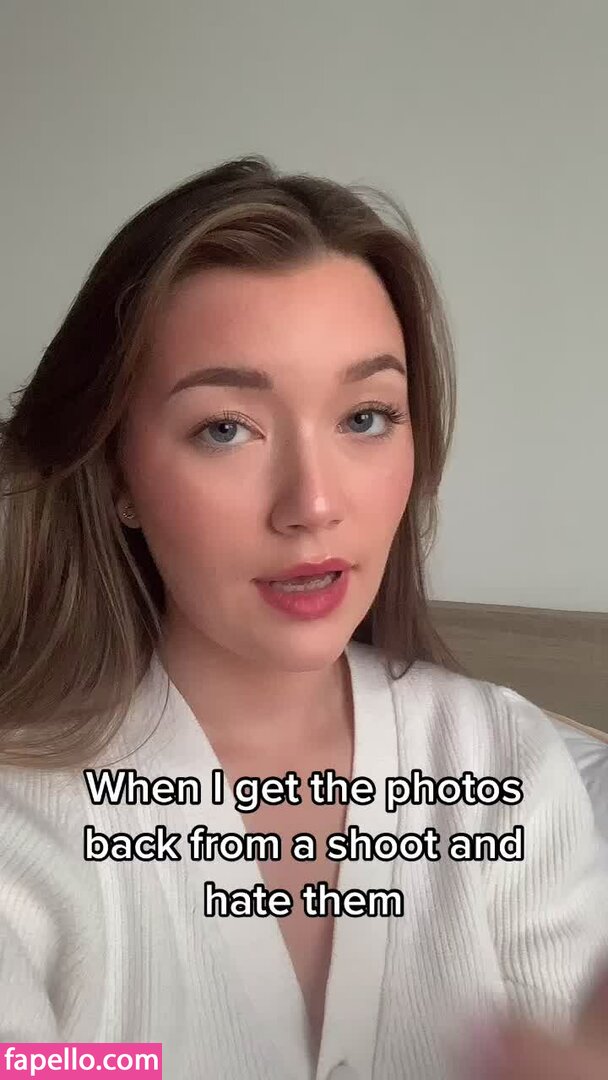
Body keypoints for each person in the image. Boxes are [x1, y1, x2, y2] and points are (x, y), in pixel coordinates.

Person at [0, 155, 606, 1080]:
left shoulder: (504, 762)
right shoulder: (24, 828)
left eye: (366, 417)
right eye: (225, 428)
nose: (313, 505)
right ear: (119, 476)